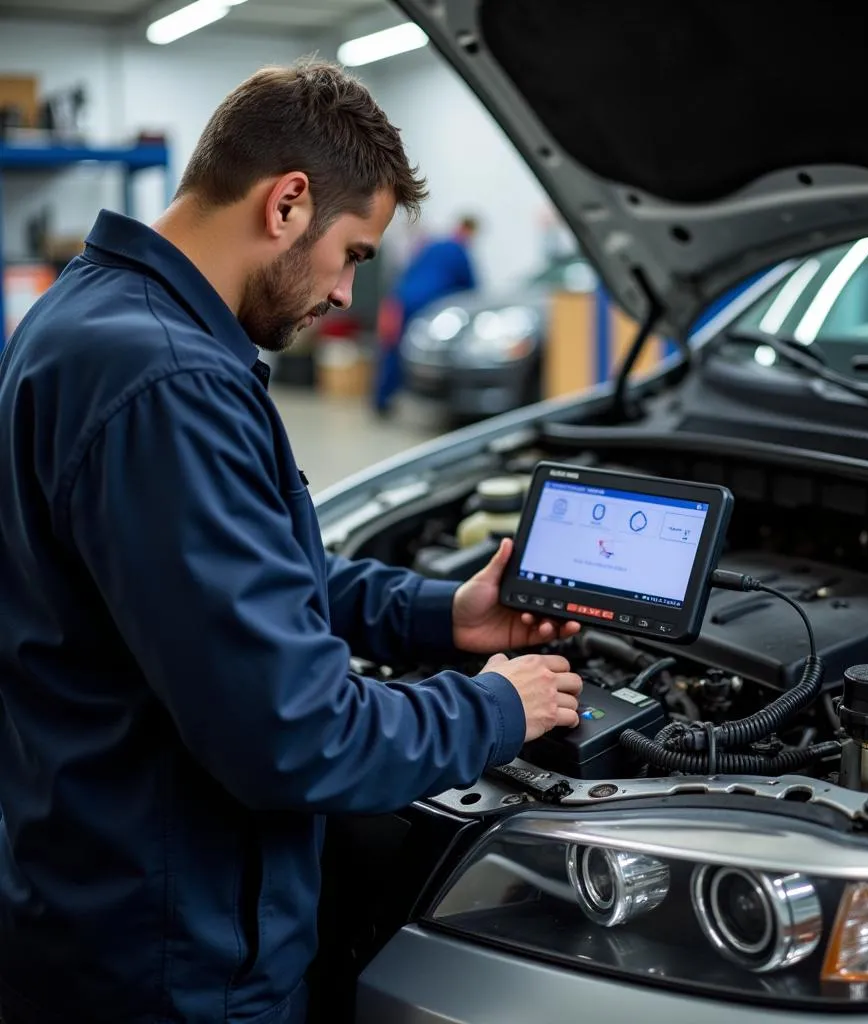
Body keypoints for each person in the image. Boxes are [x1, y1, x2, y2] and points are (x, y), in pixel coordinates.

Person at [0, 59, 582, 1024]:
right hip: (170, 960)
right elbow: (292, 735)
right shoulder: (170, 383)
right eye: (353, 253)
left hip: (88, 890)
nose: (349, 292)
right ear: (287, 202)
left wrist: (441, 614)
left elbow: (248, 571)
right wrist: (491, 711)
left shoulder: (88, 315)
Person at [373, 213, 479, 414]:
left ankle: (382, 400)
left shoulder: (433, 244)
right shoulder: (460, 251)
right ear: (469, 231)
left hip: (400, 298)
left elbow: (409, 270)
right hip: (424, 306)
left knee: (392, 349)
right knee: (415, 352)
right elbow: (472, 288)